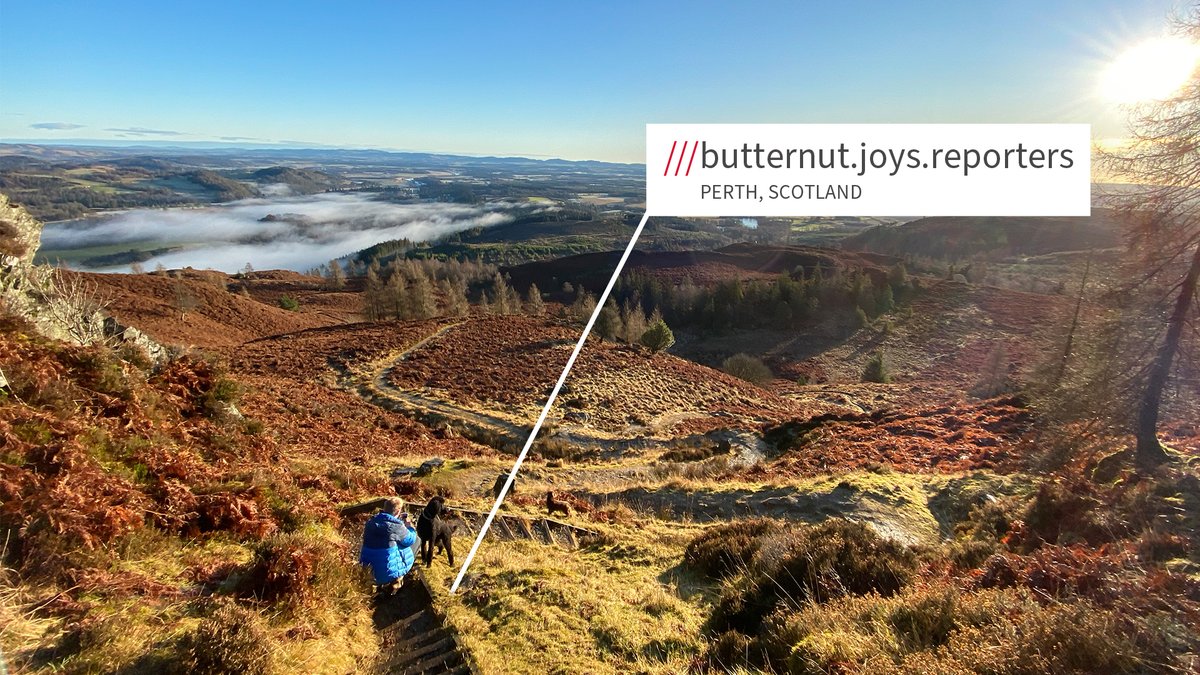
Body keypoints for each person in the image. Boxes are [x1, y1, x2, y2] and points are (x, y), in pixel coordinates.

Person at [359, 497, 418, 593]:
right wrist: (410, 527)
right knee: (414, 543)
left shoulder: (370, 523)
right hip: (387, 573)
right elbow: (410, 540)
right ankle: (395, 585)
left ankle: (374, 590)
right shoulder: (397, 526)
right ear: (398, 511)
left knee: (391, 546)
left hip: (368, 570)